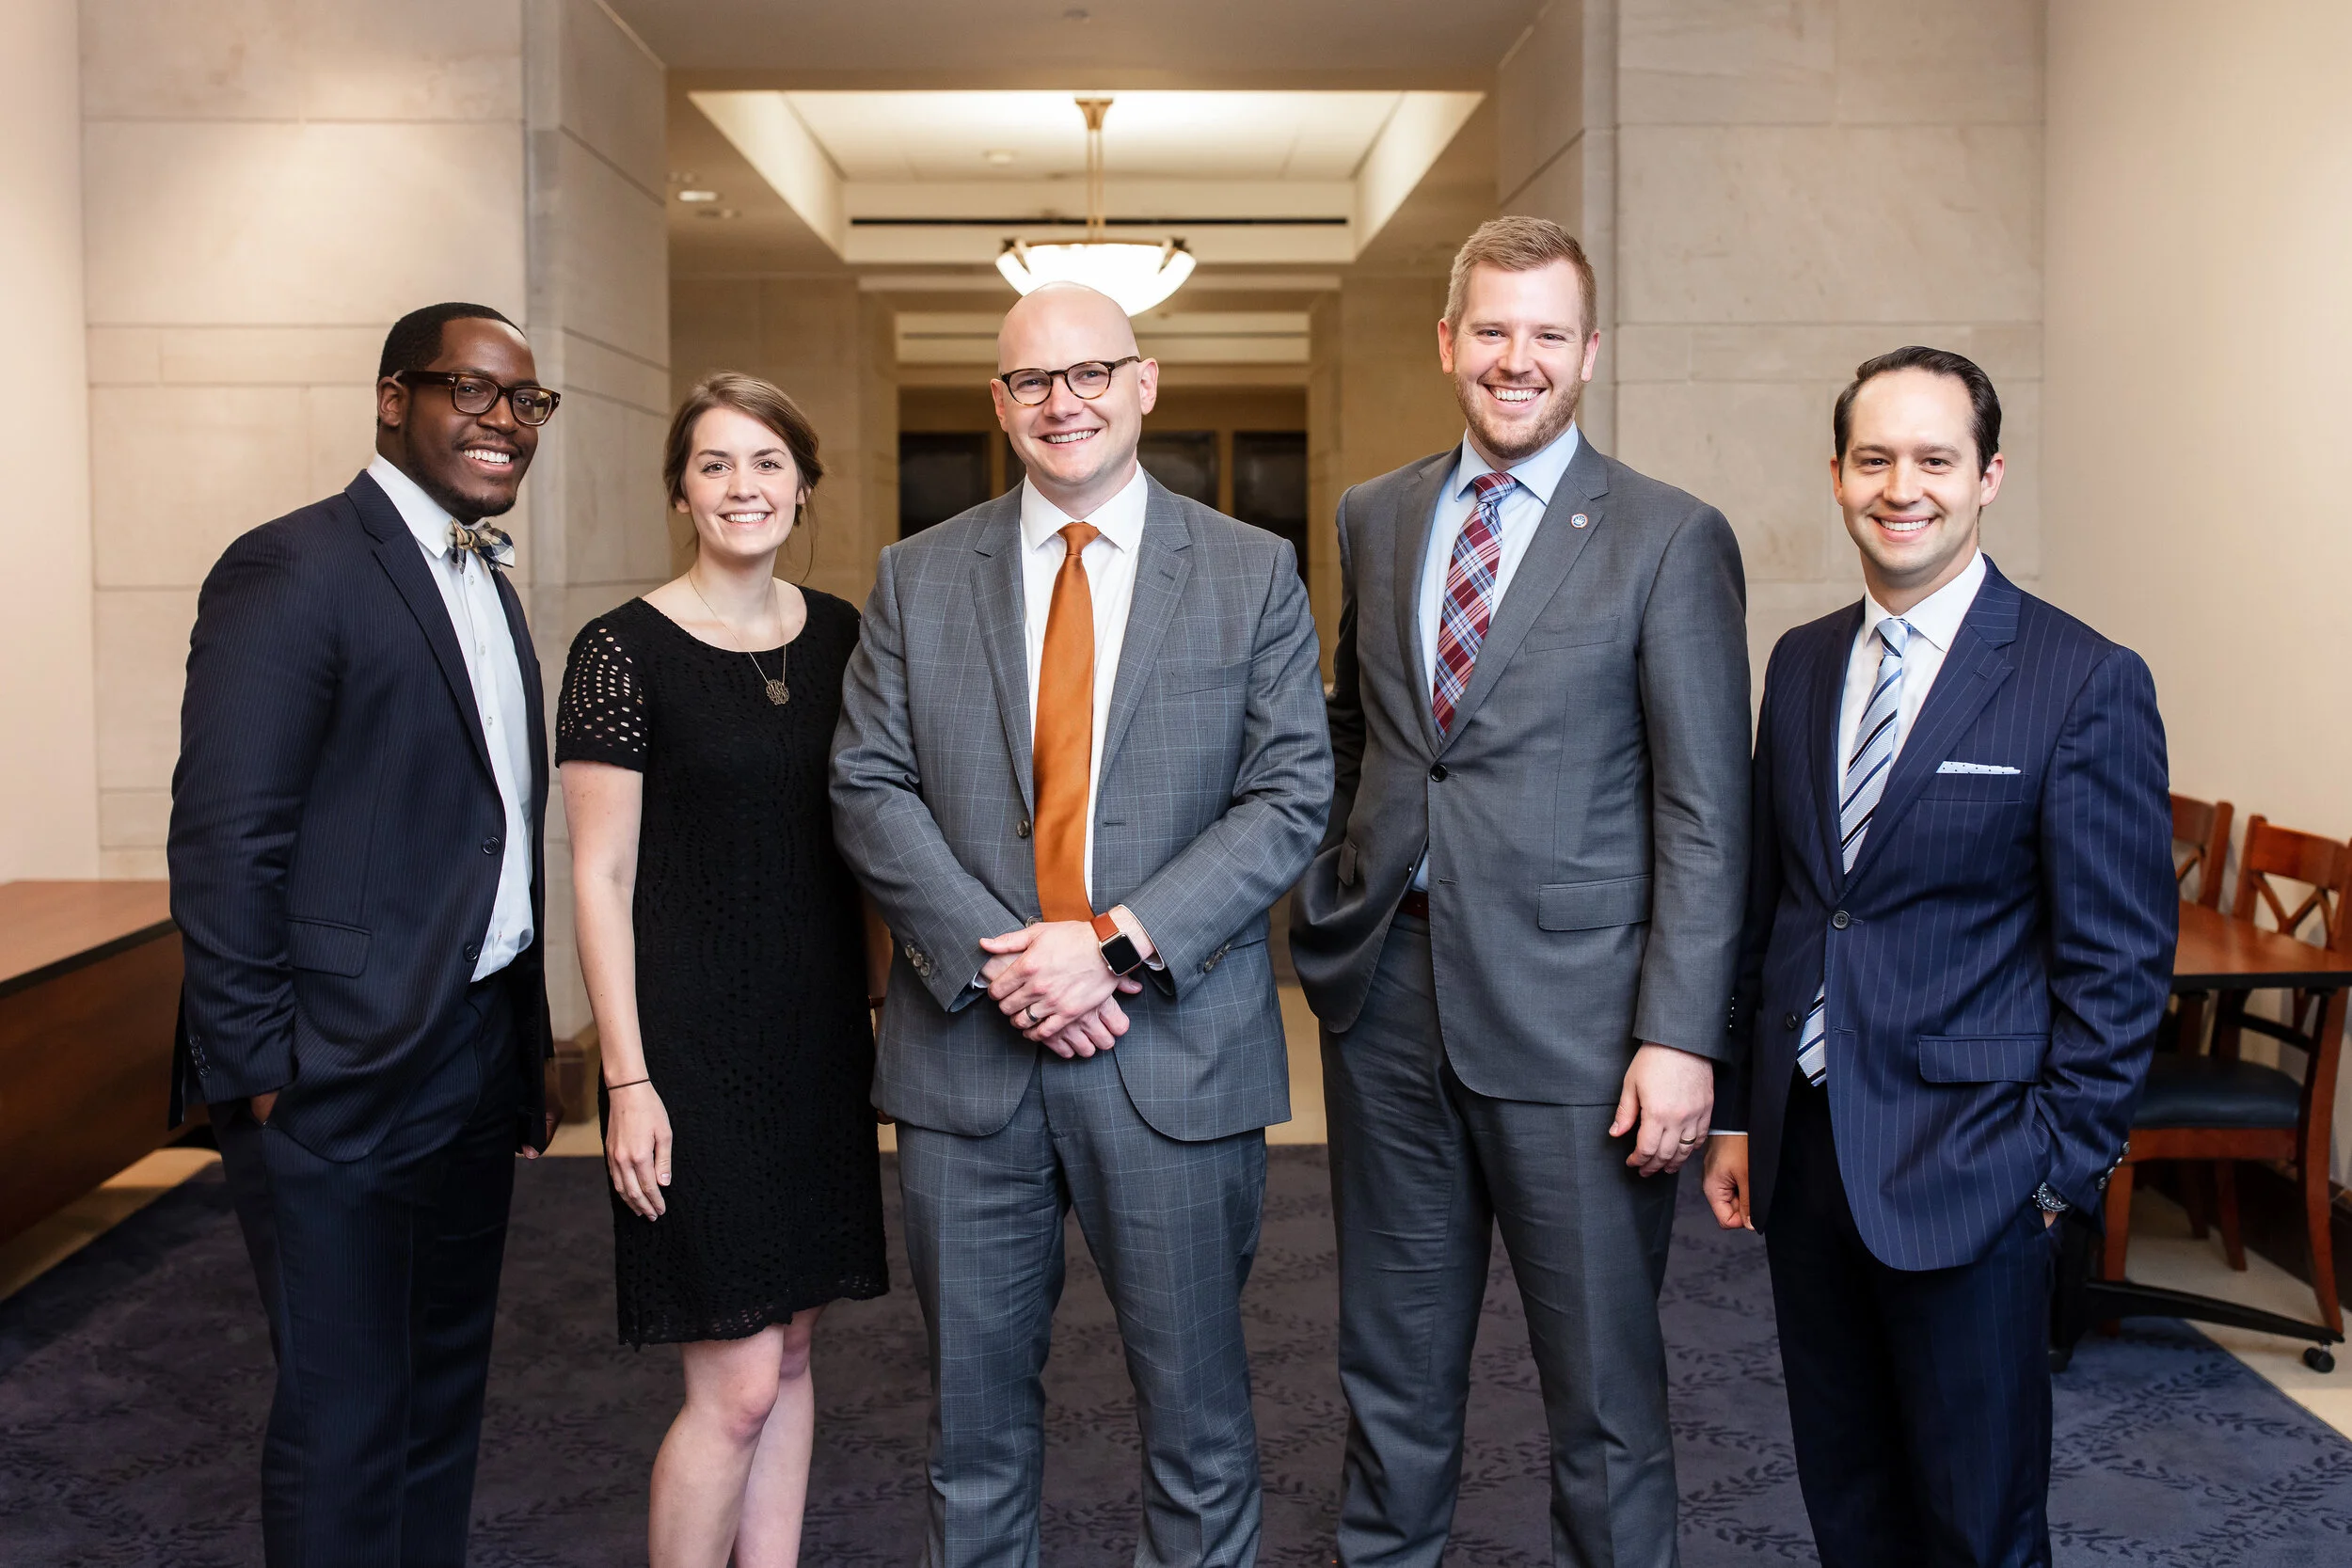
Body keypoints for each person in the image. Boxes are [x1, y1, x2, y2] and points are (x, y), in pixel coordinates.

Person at [831, 281, 1329, 1568]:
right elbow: (868, 784)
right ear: (1000, 404)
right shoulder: (914, 573)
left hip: (1173, 1058)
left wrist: (1106, 943)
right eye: (1034, 382)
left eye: (1092, 372)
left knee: (1200, 1428)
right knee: (974, 1436)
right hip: (969, 1061)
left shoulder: (1248, 569)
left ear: (1145, 382)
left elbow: (1289, 798)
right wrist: (1008, 964)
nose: (1067, 402)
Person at [1289, 215, 1751, 1568]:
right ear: (1448, 342)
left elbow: (1706, 810)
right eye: (1491, 328)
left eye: (1548, 333)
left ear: (1590, 353)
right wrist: (1342, 878)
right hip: (1391, 1000)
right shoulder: (1375, 516)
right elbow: (1359, 728)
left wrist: (1681, 1033)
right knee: (1390, 1369)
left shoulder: (1671, 537)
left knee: (1604, 1395)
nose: (1517, 358)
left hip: (1585, 1024)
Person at [1703, 346, 2173, 1566]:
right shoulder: (1801, 660)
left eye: (1934, 458)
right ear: (1837, 473)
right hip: (1810, 1156)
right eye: (1875, 458)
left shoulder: (2082, 679)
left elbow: (2121, 962)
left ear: (1989, 475)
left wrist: (2054, 1170)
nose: (1900, 485)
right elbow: (1782, 902)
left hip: (1979, 1172)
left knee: (1978, 1526)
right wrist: (1746, 1112)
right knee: (1849, 1504)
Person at [167, 302, 561, 1566]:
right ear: (394, 398)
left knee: (441, 1399)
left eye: (526, 400)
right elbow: (229, 838)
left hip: (472, 1054)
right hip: (333, 1073)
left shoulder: (487, 582)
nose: (504, 419)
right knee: (343, 1414)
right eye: (472, 389)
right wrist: (264, 1072)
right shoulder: (292, 565)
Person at [558, 372, 888, 1568]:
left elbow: (876, 838)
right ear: (680, 490)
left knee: (793, 1350)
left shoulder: (848, 634)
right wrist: (628, 1084)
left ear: (802, 486)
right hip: (690, 1052)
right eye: (714, 463)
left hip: (814, 1043)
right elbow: (597, 879)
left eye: (765, 462)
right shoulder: (620, 650)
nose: (741, 485)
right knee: (737, 1382)